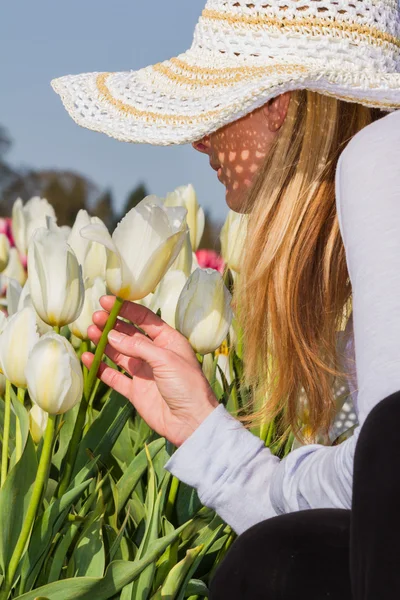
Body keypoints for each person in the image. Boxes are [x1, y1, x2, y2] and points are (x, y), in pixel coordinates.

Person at [51, 0, 400, 597]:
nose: (200, 140)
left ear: (281, 103)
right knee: (281, 559)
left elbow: (392, 470)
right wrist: (207, 434)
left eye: (220, 106)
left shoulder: (380, 157)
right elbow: (365, 500)